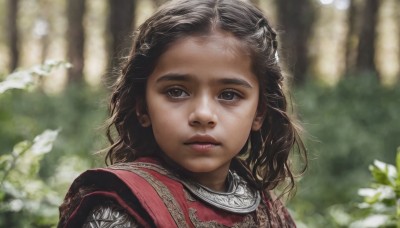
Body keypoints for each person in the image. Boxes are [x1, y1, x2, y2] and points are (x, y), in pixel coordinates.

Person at [58, 0, 307, 227]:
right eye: (176, 92)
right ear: (142, 106)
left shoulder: (268, 208)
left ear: (259, 113)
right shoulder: (120, 208)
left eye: (229, 95)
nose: (203, 114)